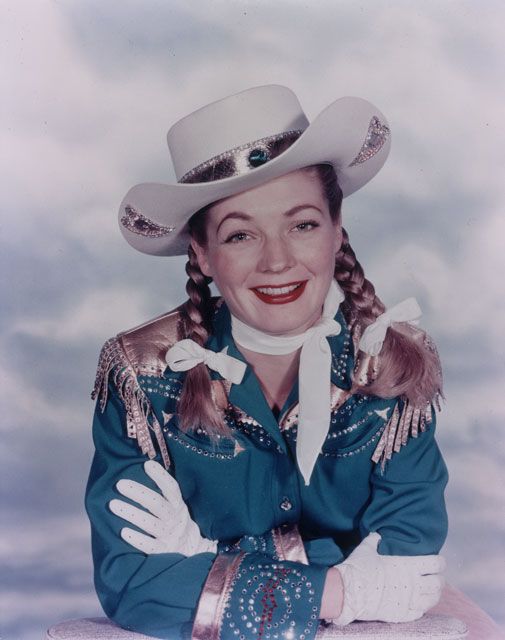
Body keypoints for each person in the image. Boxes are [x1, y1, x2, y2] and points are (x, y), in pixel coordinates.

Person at [85, 85, 448, 640]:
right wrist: (340, 589)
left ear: (336, 230)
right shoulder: (142, 374)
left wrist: (208, 565)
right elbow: (131, 583)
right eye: (240, 235)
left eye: (302, 224)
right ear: (203, 254)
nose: (277, 261)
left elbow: (408, 568)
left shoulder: (394, 362)